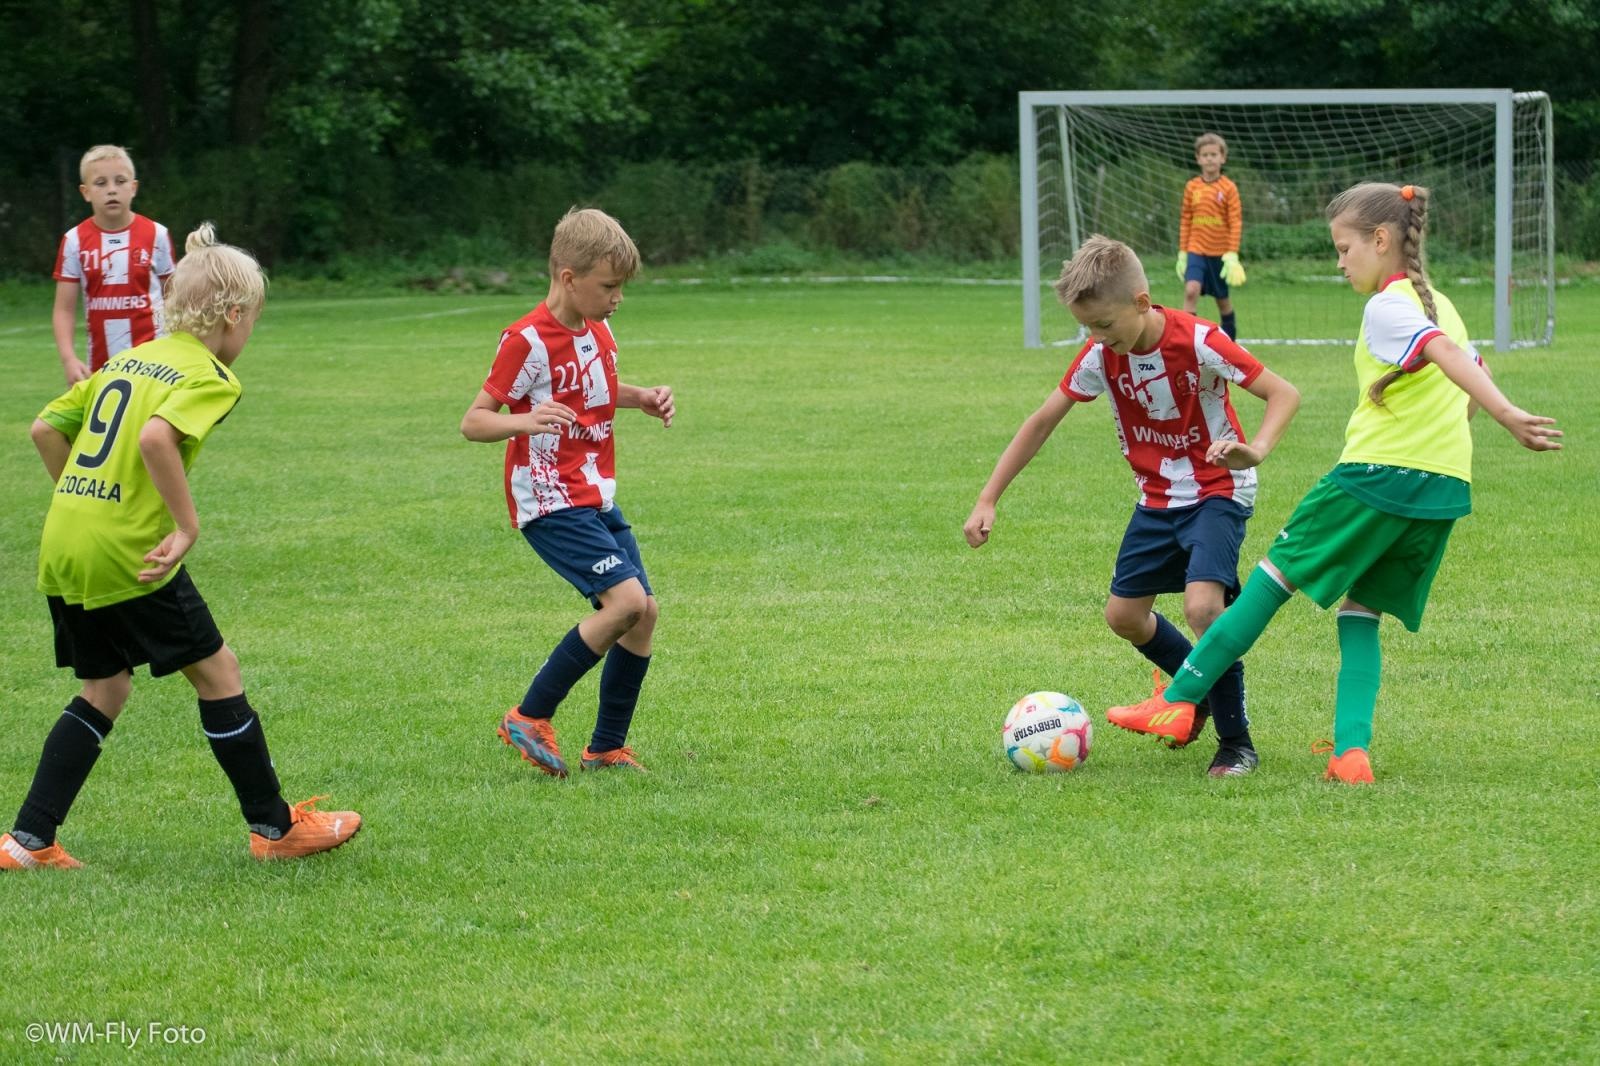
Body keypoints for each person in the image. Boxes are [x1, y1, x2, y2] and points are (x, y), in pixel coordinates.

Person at [1109, 182, 1563, 783]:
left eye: (1345, 248)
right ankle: (1351, 753)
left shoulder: (1389, 305)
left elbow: (1445, 354)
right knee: (1360, 612)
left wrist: (1507, 416)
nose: (1340, 261)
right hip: (1442, 490)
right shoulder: (1441, 301)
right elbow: (1467, 370)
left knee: (1273, 578)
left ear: (1381, 240)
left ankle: (1177, 699)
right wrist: (1462, 430)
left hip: (1374, 476)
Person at [0, 224, 361, 871]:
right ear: (233, 315)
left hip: (65, 540)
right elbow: (156, 440)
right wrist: (186, 526)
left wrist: (84, 498)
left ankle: (28, 842)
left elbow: (44, 427)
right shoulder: (211, 375)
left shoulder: (131, 357)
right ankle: (275, 830)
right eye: (252, 319)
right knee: (217, 670)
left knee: (105, 686)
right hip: (128, 552)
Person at [965, 235, 1300, 776]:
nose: (1096, 338)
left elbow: (1285, 393)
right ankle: (1187, 697)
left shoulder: (1200, 340)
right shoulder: (1102, 354)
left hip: (1218, 488)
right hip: (1157, 498)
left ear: (1142, 303)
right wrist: (988, 498)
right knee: (1123, 616)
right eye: (1087, 328)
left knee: (1203, 609)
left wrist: (1254, 450)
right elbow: (1042, 421)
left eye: (1103, 325)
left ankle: (1236, 743)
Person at [461, 207, 675, 777]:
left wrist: (644, 397)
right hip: (551, 498)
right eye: (609, 286)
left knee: (645, 612)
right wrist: (524, 422)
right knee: (626, 603)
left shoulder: (599, 330)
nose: (617, 298)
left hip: (595, 493)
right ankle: (530, 716)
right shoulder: (525, 340)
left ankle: (605, 749)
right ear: (568, 277)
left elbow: (597, 392)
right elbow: (474, 421)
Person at [52, 145, 177, 385]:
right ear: (85, 192)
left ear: (134, 188)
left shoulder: (157, 234)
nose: (112, 190)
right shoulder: (74, 241)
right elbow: (64, 309)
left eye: (120, 181)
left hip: (156, 365)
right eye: (100, 183)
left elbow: (174, 298)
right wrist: (68, 359)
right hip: (100, 368)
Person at [1176, 133, 1244, 339]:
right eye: (1205, 155)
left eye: (1214, 154)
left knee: (1222, 300)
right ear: (1198, 158)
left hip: (1220, 254)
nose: (1210, 158)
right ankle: (1187, 342)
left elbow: (1235, 221)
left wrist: (1232, 254)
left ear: (1223, 157)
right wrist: (1183, 252)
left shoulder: (1229, 188)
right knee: (1191, 290)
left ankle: (1230, 346)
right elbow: (1186, 219)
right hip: (1196, 250)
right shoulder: (1192, 187)